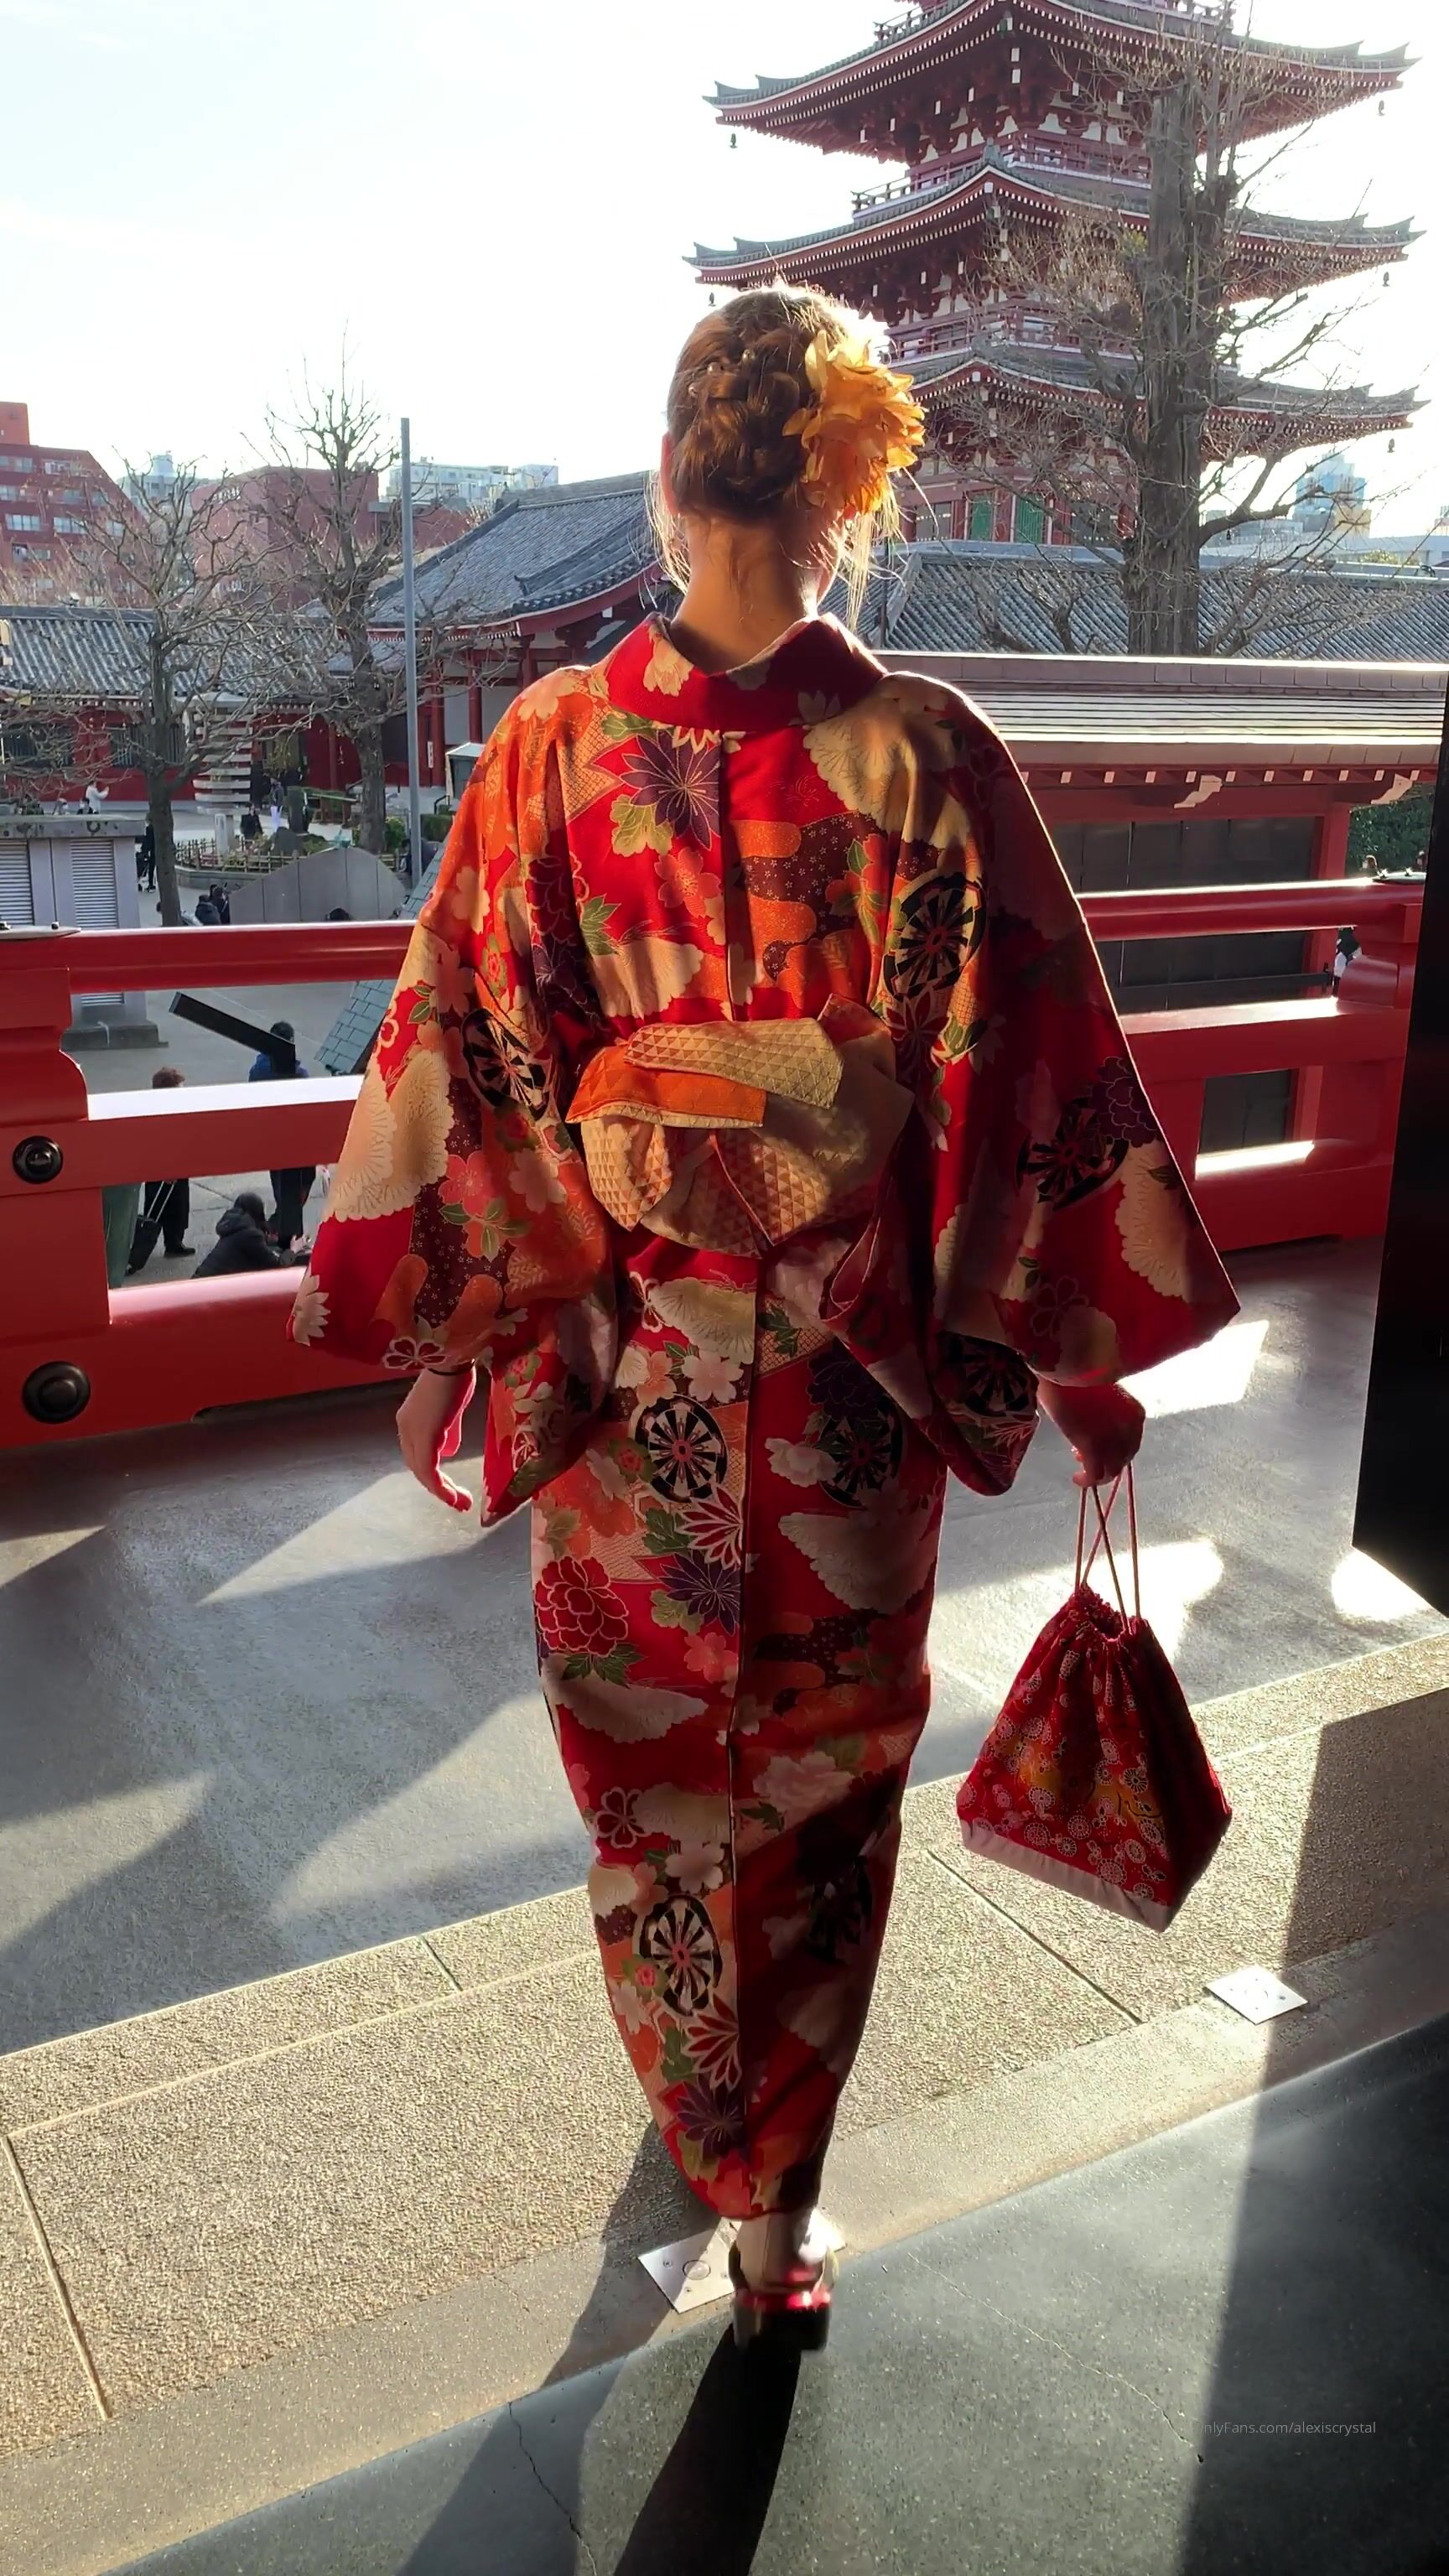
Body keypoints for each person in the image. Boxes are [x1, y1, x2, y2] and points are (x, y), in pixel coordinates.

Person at [289, 287, 1237, 2350]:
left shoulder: (547, 750)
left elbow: (465, 1048)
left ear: (665, 478)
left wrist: (459, 1319)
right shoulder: (926, 761)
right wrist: (1071, 1357)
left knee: (650, 1782)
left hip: (624, 1380)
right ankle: (774, 2205)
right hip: (846, 1397)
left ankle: (694, 2096)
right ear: (845, 495)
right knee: (812, 1789)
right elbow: (1022, 1083)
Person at [249, 1019, 316, 1253]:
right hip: (296, 1137)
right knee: (304, 1179)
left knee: (279, 1181)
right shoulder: (297, 1072)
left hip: (270, 1136)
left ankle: (280, 1226)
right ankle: (282, 1228)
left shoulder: (257, 1069)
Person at [127, 1066, 195, 1270]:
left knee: (178, 1208)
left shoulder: (172, 1107)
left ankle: (174, 1242)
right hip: (163, 1169)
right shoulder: (157, 1112)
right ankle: (137, 1253)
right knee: (156, 1213)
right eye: (179, 1087)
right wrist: (165, 1168)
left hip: (177, 1167)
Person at [193, 1192, 282, 1276]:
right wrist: (289, 1251)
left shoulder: (235, 1227)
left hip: (201, 1281)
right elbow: (276, 1265)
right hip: (215, 1284)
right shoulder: (251, 1235)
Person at [138, 822, 157, 892]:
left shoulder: (149, 830)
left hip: (150, 852)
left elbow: (146, 842)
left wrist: (144, 851)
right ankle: (151, 884)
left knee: (150, 869)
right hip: (154, 851)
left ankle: (151, 884)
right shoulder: (157, 830)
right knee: (151, 869)